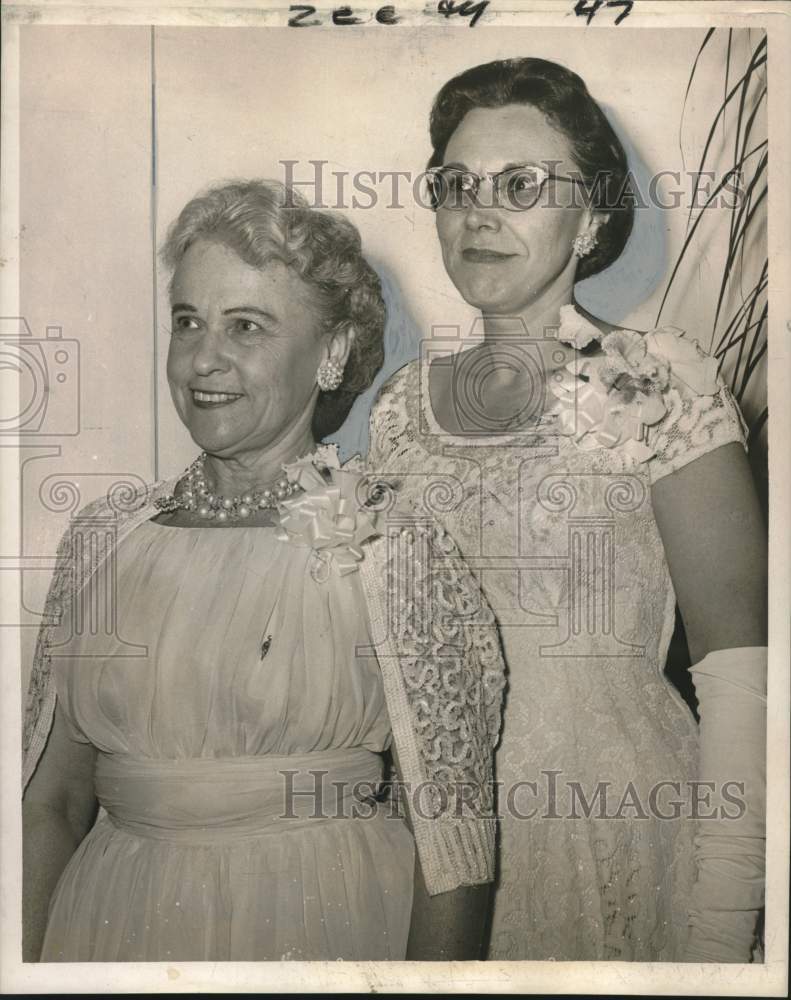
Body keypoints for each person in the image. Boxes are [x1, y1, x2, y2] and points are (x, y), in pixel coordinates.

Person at [21, 179, 506, 962]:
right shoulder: (103, 540)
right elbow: (51, 801)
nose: (204, 357)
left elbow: (453, 841)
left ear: (334, 353)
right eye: (188, 322)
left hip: (325, 925)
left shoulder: (395, 546)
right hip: (113, 927)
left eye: (246, 326)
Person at [367, 58, 767, 962]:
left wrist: (718, 936)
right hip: (442, 852)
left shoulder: (663, 378)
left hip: (626, 825)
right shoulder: (397, 409)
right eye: (456, 185)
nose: (479, 211)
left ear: (590, 218)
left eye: (520, 185)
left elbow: (741, 674)